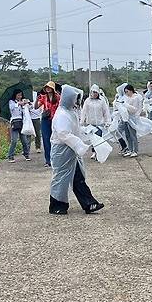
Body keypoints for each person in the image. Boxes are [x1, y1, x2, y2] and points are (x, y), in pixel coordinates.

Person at [49, 85, 104, 215]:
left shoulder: (69, 111)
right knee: (61, 178)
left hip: (70, 149)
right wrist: (80, 145)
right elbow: (64, 134)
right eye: (75, 99)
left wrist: (87, 132)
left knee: (77, 177)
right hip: (62, 150)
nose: (76, 102)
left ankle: (89, 203)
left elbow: (75, 129)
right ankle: (56, 205)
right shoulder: (62, 114)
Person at [81, 84, 112, 159]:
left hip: (99, 123)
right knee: (92, 139)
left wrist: (107, 121)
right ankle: (94, 152)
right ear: (91, 92)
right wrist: (81, 121)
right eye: (93, 92)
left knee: (98, 139)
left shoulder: (102, 101)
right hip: (90, 123)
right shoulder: (87, 101)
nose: (94, 94)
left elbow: (106, 111)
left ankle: (98, 153)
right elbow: (84, 112)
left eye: (96, 92)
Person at [37, 81, 59, 167]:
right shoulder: (43, 97)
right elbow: (36, 107)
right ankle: (48, 160)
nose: (47, 88)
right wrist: (36, 100)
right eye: (46, 87)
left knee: (55, 139)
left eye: (49, 87)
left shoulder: (57, 97)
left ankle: (55, 158)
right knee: (46, 139)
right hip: (45, 119)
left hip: (55, 119)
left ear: (53, 88)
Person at [7, 89, 31, 163]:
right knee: (14, 140)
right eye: (18, 95)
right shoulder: (11, 102)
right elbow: (12, 108)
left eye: (20, 95)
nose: (19, 96)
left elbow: (30, 108)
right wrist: (20, 104)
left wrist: (28, 103)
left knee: (24, 140)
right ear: (15, 95)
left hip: (21, 122)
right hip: (14, 122)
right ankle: (10, 156)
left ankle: (26, 154)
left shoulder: (23, 102)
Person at [121, 84, 143, 157]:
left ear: (131, 90)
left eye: (127, 91)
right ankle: (130, 149)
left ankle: (135, 150)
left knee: (133, 135)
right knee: (127, 135)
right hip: (126, 118)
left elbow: (136, 109)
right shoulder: (126, 98)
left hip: (133, 118)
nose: (126, 93)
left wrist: (126, 105)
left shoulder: (136, 97)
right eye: (125, 92)